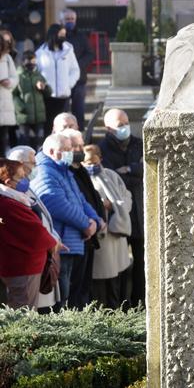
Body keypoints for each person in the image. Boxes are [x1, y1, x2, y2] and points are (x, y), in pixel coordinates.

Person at [31, 133, 102, 309]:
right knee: (61, 299)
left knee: (72, 296)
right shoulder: (45, 170)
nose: (72, 153)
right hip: (63, 244)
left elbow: (81, 199)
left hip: (74, 241)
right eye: (67, 150)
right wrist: (86, 224)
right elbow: (56, 204)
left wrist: (95, 221)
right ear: (51, 151)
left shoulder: (64, 169)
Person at [0, 158, 62, 309]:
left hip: (23, 266)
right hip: (22, 268)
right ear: (8, 182)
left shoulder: (14, 198)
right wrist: (53, 243)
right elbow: (35, 233)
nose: (25, 180)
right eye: (20, 177)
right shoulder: (8, 204)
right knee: (24, 313)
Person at [98, 108, 145, 307]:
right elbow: (110, 178)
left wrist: (129, 169)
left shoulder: (138, 143)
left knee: (141, 263)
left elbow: (145, 169)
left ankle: (140, 302)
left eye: (126, 123)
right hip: (120, 214)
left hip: (140, 213)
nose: (125, 127)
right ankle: (121, 306)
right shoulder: (103, 149)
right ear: (108, 128)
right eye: (120, 125)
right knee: (120, 264)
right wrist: (134, 171)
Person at [83, 144, 132, 309]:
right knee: (100, 280)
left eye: (93, 162)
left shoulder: (111, 175)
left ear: (100, 159)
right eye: (86, 162)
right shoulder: (82, 178)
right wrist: (100, 206)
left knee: (117, 279)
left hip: (115, 233)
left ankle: (119, 310)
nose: (90, 166)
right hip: (100, 236)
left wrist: (117, 207)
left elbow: (126, 197)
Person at [63, 128, 106, 309]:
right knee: (73, 293)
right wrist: (87, 223)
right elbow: (65, 205)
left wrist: (97, 219)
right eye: (76, 146)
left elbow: (87, 199)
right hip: (75, 237)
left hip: (88, 236)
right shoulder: (64, 170)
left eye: (81, 145)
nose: (80, 150)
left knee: (83, 289)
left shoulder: (78, 168)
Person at [36, 24, 79, 137]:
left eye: (64, 35)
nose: (63, 37)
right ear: (53, 35)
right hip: (47, 96)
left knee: (63, 125)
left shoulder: (68, 51)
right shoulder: (40, 53)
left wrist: (68, 84)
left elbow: (75, 70)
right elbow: (36, 73)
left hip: (63, 96)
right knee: (49, 126)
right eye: (61, 35)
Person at [61, 9, 94, 128]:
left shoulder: (81, 36)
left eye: (72, 19)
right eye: (67, 19)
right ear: (62, 21)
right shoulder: (58, 37)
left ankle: (79, 132)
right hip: (62, 80)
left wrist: (78, 64)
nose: (70, 21)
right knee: (62, 111)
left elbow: (90, 53)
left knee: (79, 109)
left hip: (79, 79)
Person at [13, 50, 51, 149]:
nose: (31, 63)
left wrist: (44, 88)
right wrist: (21, 108)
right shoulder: (18, 75)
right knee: (24, 141)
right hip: (24, 116)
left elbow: (49, 92)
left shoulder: (38, 75)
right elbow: (13, 94)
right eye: (28, 61)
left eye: (34, 61)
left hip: (39, 115)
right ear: (23, 62)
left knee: (39, 141)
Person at [0, 33, 19, 156]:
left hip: (4, 104)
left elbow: (15, 77)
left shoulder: (7, 58)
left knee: (2, 140)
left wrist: (9, 82)